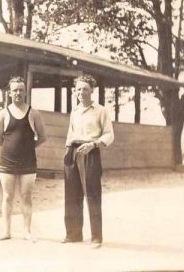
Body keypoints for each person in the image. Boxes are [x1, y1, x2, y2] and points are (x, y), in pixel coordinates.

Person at [63, 74, 114, 249]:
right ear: (75, 92)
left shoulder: (101, 111)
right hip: (73, 151)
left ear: (92, 90)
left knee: (92, 194)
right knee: (71, 194)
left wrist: (93, 145)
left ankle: (96, 237)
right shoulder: (74, 111)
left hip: (90, 152)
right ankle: (73, 234)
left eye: (85, 89)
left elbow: (109, 134)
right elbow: (71, 133)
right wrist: (68, 151)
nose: (81, 92)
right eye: (78, 89)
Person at [0, 76, 47, 241]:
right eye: (15, 90)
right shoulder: (3, 113)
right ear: (9, 93)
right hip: (7, 162)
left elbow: (43, 137)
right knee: (7, 196)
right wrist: (12, 149)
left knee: (26, 196)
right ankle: (6, 231)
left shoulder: (34, 113)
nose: (18, 93)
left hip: (28, 162)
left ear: (25, 92)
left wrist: (28, 149)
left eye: (21, 90)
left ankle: (27, 231)